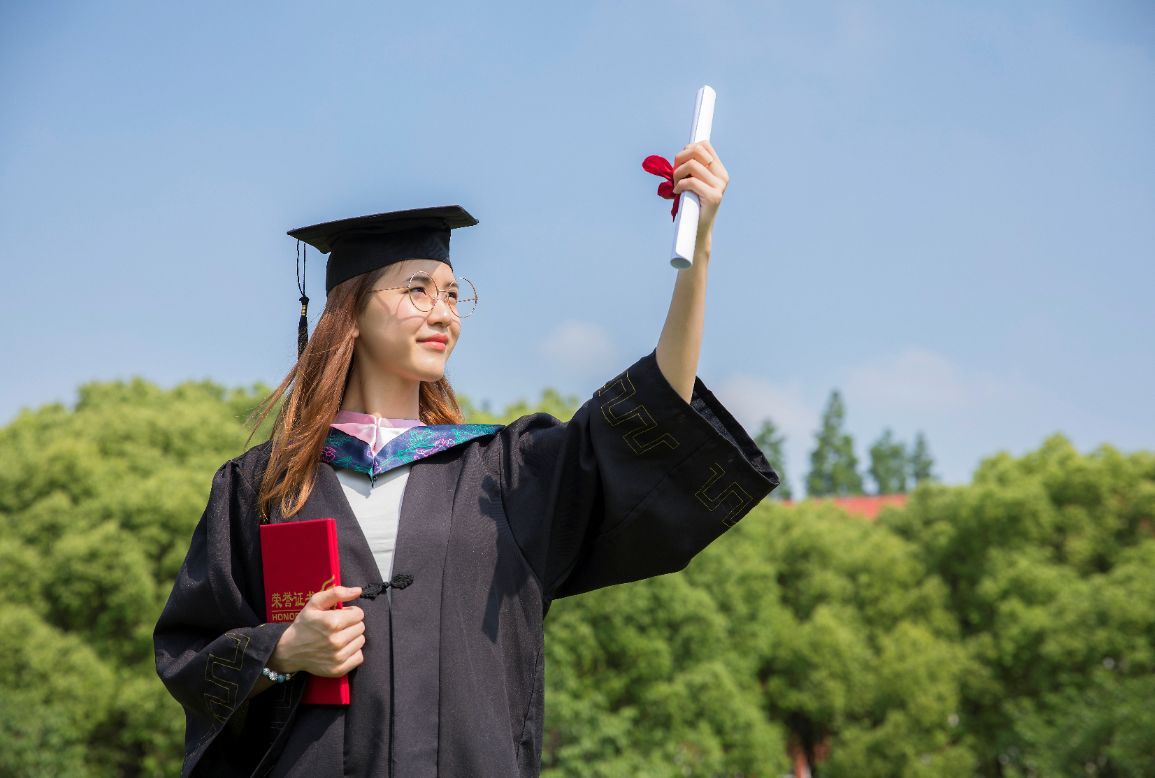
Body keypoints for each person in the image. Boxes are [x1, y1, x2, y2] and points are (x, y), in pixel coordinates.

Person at [154, 140, 779, 777]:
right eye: (418, 291)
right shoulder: (263, 485)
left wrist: (695, 251)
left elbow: (649, 417)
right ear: (352, 313)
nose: (443, 314)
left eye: (453, 295)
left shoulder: (503, 473)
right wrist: (282, 649)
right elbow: (189, 653)